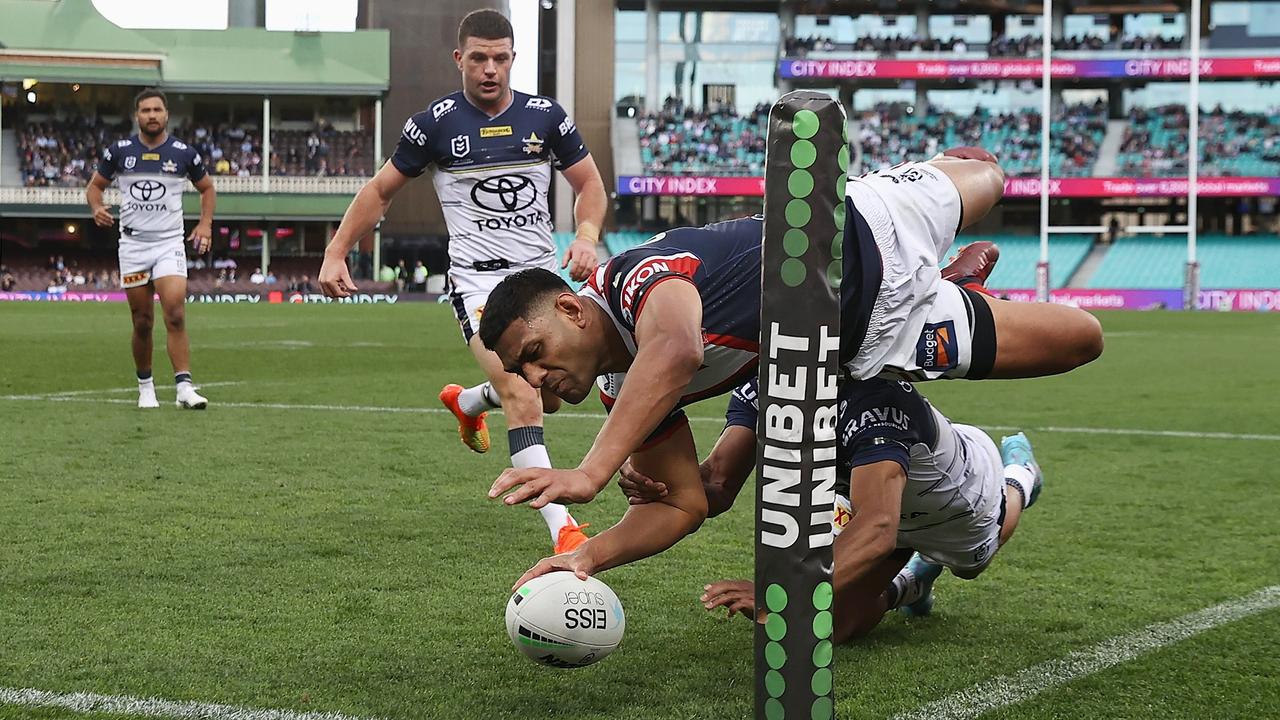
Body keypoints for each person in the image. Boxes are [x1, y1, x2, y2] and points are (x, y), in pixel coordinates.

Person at [478, 148, 1101, 582]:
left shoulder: (632, 279)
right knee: (1082, 339)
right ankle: (952, 293)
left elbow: (676, 350)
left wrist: (589, 473)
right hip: (875, 334)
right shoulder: (623, 387)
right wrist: (586, 556)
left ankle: (949, 256)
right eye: (521, 371)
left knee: (988, 176)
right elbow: (684, 504)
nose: (536, 380)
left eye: (534, 352)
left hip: (872, 223)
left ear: (571, 307)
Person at [317, 9, 607, 554]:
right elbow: (380, 192)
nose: (490, 68)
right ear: (460, 59)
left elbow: (589, 183)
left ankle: (469, 402)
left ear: (514, 58)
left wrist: (587, 234)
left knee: (553, 396)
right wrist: (337, 251)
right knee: (523, 394)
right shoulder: (434, 125)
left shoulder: (546, 118)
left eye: (500, 57)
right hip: (479, 286)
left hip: (542, 282)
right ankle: (563, 530)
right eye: (479, 58)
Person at [617, 376, 1043, 643]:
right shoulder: (762, 385)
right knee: (834, 628)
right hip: (870, 504)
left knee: (975, 561)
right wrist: (670, 489)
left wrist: (782, 595)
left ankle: (1020, 475)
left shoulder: (874, 397)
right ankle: (913, 582)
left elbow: (877, 527)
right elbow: (718, 483)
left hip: (955, 501)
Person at [86, 88, 217, 410]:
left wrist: (205, 224)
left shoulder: (184, 153)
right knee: (142, 321)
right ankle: (145, 386)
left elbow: (207, 188)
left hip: (169, 243)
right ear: (137, 116)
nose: (152, 115)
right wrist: (96, 207)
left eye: (157, 109)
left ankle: (184, 387)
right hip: (132, 246)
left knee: (174, 311)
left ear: (167, 114)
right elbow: (94, 187)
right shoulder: (119, 151)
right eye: (145, 110)